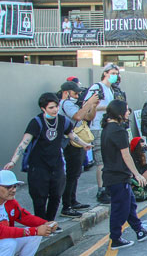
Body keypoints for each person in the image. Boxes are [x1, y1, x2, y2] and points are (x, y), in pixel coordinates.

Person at [4, 93, 92, 225]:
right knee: (39, 197)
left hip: (56, 165)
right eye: (51, 107)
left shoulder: (63, 121)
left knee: (56, 195)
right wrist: (13, 161)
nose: (55, 109)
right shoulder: (36, 122)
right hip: (38, 166)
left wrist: (84, 144)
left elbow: (72, 135)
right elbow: (24, 143)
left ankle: (50, 223)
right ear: (43, 108)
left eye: (56, 106)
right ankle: (41, 224)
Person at [100, 100, 147, 250]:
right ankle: (116, 238)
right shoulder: (118, 131)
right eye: (126, 110)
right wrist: (137, 174)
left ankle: (139, 230)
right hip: (116, 176)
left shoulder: (107, 128)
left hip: (116, 175)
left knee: (129, 204)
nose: (128, 112)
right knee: (120, 209)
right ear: (118, 113)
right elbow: (126, 155)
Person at [0, 170, 57, 256]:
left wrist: (46, 224)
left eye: (14, 186)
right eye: (8, 187)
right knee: (9, 243)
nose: (13, 190)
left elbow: (24, 216)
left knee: (34, 235)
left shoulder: (10, 202)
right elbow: (1, 232)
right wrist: (35, 230)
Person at [59, 80, 99, 217]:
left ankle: (72, 201)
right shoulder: (66, 104)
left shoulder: (73, 104)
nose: (77, 95)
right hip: (71, 144)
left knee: (75, 174)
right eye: (75, 93)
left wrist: (93, 106)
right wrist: (88, 103)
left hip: (78, 143)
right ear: (66, 93)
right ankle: (67, 205)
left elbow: (87, 117)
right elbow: (77, 116)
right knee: (71, 175)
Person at [87, 63, 118, 204]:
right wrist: (108, 108)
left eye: (116, 73)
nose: (115, 76)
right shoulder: (97, 88)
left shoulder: (110, 89)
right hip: (97, 127)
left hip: (107, 127)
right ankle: (101, 190)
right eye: (112, 73)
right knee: (101, 161)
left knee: (108, 159)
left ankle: (107, 187)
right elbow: (88, 105)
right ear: (105, 73)